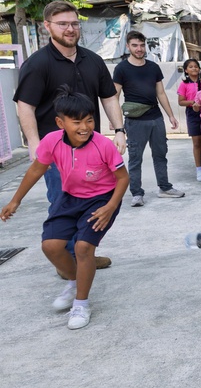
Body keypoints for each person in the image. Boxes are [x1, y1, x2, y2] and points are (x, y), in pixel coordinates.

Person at [13, 0, 126, 275]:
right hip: (56, 152)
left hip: (92, 148)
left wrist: (119, 130)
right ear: (47, 26)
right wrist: (34, 144)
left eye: (74, 23)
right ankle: (69, 262)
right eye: (62, 24)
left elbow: (109, 97)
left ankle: (82, 253)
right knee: (63, 204)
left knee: (92, 202)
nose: (70, 29)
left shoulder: (93, 60)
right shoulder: (38, 64)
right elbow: (25, 105)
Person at [1, 93, 129, 330]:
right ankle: (74, 281)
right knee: (50, 246)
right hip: (70, 197)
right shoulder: (51, 141)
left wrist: (110, 207)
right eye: (77, 122)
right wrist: (15, 200)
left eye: (89, 120)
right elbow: (36, 170)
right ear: (61, 123)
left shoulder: (103, 145)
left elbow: (123, 178)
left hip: (101, 200)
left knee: (83, 247)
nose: (84, 127)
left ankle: (81, 304)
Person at [113, 30, 185, 207]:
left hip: (156, 118)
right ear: (128, 46)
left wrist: (170, 115)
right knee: (135, 158)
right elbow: (115, 96)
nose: (139, 49)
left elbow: (161, 93)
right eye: (135, 45)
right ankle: (137, 193)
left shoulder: (153, 67)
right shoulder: (121, 68)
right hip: (135, 121)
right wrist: (115, 121)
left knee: (160, 154)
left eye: (141, 45)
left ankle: (165, 188)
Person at [176, 58, 201, 182]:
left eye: (196, 66)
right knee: (197, 142)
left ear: (199, 69)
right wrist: (193, 102)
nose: (194, 68)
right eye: (190, 67)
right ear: (186, 70)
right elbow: (181, 101)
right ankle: (198, 168)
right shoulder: (184, 84)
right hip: (192, 114)